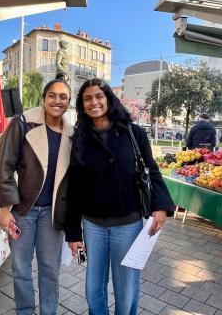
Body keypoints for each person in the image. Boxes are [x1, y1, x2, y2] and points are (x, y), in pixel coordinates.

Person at [64, 78, 174, 315]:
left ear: (109, 99)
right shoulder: (80, 139)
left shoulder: (133, 133)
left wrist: (161, 207)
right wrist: (73, 233)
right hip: (93, 224)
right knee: (94, 285)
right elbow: (74, 188)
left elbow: (151, 171)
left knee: (126, 286)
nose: (94, 102)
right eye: (87, 98)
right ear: (82, 105)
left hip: (128, 222)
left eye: (98, 96)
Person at [0, 79, 73, 315]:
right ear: (43, 98)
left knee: (50, 268)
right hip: (23, 210)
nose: (57, 101)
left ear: (68, 102)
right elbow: (4, 166)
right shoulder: (22, 124)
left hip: (52, 213)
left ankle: (49, 312)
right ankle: (25, 311)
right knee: (21, 268)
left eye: (63, 97)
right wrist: (5, 208)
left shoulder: (73, 134)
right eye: (52, 95)